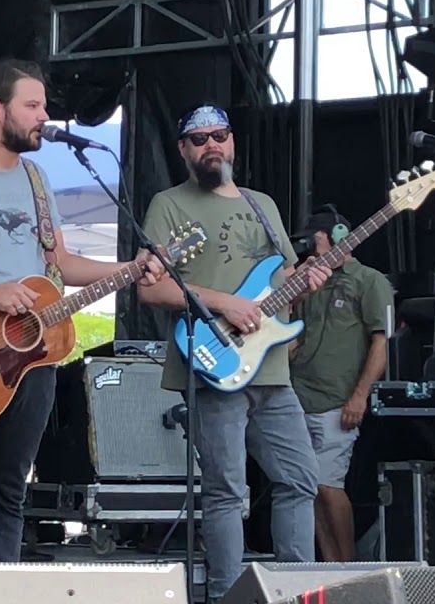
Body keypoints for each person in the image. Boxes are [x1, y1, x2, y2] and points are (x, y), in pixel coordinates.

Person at [0, 58, 165, 604]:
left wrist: (129, 269)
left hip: (34, 355)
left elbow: (61, 264)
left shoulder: (35, 178)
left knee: (8, 492)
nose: (46, 116)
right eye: (34, 105)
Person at [136, 104, 331, 603]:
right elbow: (152, 292)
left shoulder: (260, 202)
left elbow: (283, 282)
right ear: (183, 150)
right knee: (227, 492)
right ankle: (227, 596)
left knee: (301, 479)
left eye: (219, 135)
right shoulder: (168, 204)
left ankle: (294, 591)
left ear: (233, 141)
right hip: (214, 362)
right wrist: (224, 303)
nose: (210, 146)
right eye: (198, 139)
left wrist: (309, 279)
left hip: (269, 366)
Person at [288, 205, 392, 562]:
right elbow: (293, 334)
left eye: (318, 246)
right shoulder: (309, 281)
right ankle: (330, 566)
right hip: (297, 398)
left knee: (329, 486)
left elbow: (382, 343)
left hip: (338, 400)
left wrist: (359, 397)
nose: (313, 255)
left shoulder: (369, 281)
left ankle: (346, 567)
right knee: (307, 489)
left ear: (338, 239)